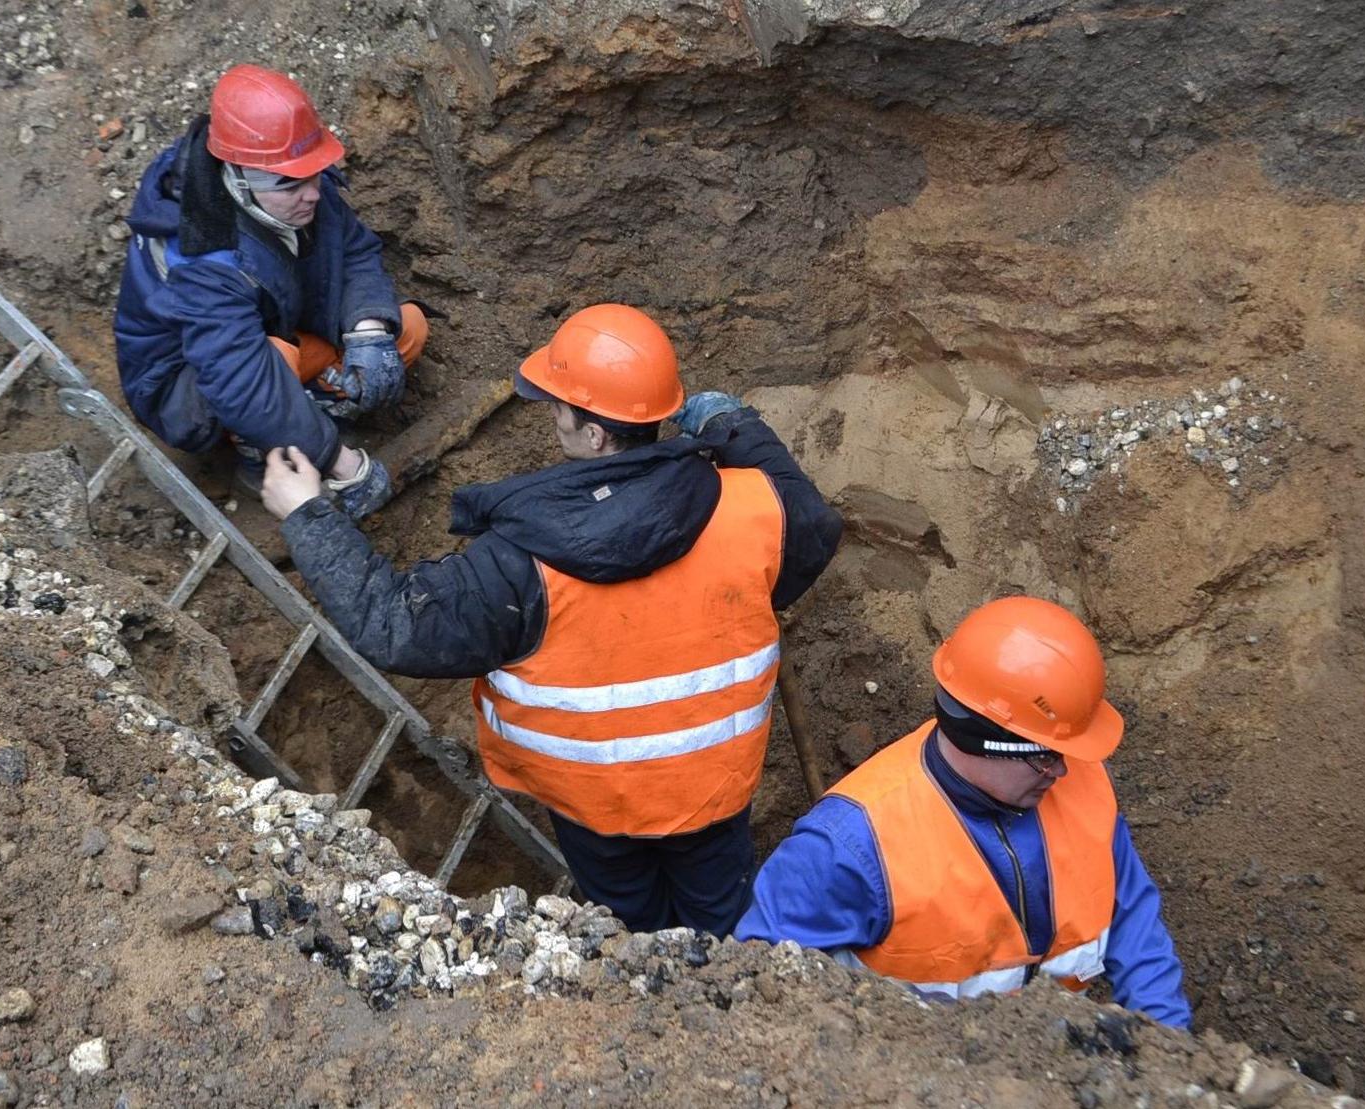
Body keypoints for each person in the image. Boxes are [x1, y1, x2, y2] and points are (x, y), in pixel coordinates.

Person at [260, 303, 843, 936]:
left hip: (593, 807)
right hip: (712, 794)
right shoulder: (757, 508)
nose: (555, 416)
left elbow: (396, 624)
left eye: (560, 405)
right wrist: (736, 427)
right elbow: (811, 523)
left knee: (628, 923)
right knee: (724, 919)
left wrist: (308, 515)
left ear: (594, 434)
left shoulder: (518, 567)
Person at [737, 596, 1192, 1029]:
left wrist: (1169, 1049)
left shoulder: (1084, 787)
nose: (1062, 770)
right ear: (981, 742)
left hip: (1048, 1066)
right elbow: (763, 988)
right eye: (1044, 755)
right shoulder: (849, 845)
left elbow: (1135, 926)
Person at [113, 63, 425, 519]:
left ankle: (307, 412)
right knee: (274, 359)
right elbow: (240, 381)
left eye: (316, 173)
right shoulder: (198, 257)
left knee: (405, 331)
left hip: (270, 326)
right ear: (239, 177)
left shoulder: (292, 180)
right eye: (292, 183)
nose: (313, 193)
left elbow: (353, 250)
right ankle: (264, 455)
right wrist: (342, 463)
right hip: (188, 385)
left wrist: (368, 331)